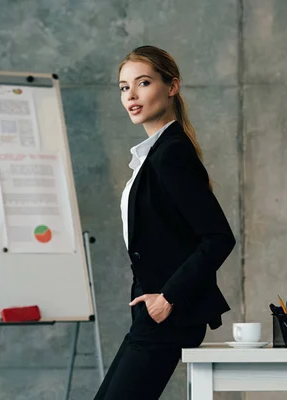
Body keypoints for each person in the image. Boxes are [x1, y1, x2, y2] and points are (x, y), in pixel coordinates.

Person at [93, 45, 236, 399]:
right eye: (124, 87)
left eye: (143, 83)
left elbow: (218, 237)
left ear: (172, 87)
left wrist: (167, 298)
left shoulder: (171, 153)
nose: (132, 95)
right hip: (155, 313)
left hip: (170, 314)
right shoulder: (154, 154)